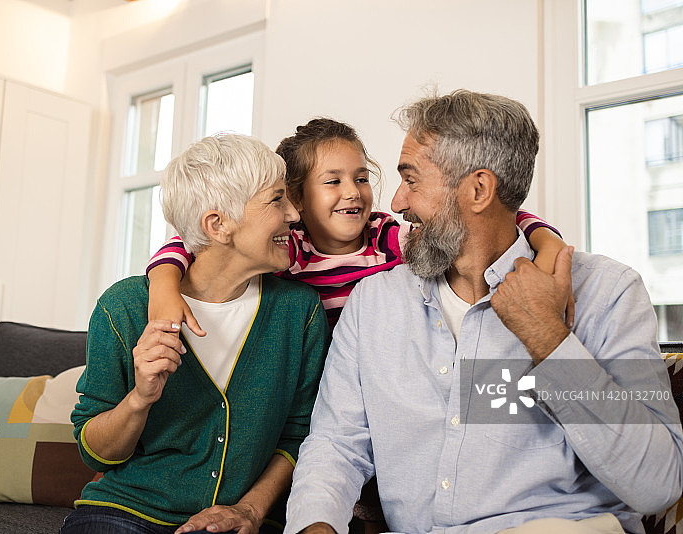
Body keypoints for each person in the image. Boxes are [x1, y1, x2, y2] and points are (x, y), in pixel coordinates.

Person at [283, 90, 683, 534]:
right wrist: (314, 524)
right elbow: (336, 445)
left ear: (478, 190)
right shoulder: (374, 303)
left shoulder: (607, 293)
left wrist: (548, 339)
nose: (395, 203)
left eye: (411, 180)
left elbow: (658, 485)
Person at [62, 134, 331, 534]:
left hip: (240, 522)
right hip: (125, 514)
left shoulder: (299, 312)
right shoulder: (123, 307)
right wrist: (140, 399)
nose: (294, 214)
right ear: (218, 225)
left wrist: (250, 511)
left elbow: (299, 434)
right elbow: (95, 453)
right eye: (277, 200)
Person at [144, 118, 570, 333]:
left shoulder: (388, 237)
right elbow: (196, 240)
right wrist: (164, 285)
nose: (353, 192)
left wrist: (545, 241)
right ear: (295, 199)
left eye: (361, 178)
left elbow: (481, 219)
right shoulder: (286, 248)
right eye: (332, 182)